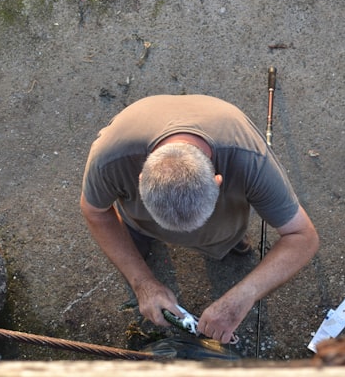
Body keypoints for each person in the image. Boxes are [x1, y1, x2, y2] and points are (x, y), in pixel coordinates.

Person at [80, 94, 318, 344]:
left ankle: (227, 242)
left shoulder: (252, 161)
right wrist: (142, 282)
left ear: (218, 180)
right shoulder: (108, 157)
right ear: (141, 180)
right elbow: (94, 210)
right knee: (130, 242)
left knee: (227, 243)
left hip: (222, 234)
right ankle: (142, 233)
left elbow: (303, 236)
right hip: (137, 223)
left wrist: (243, 297)